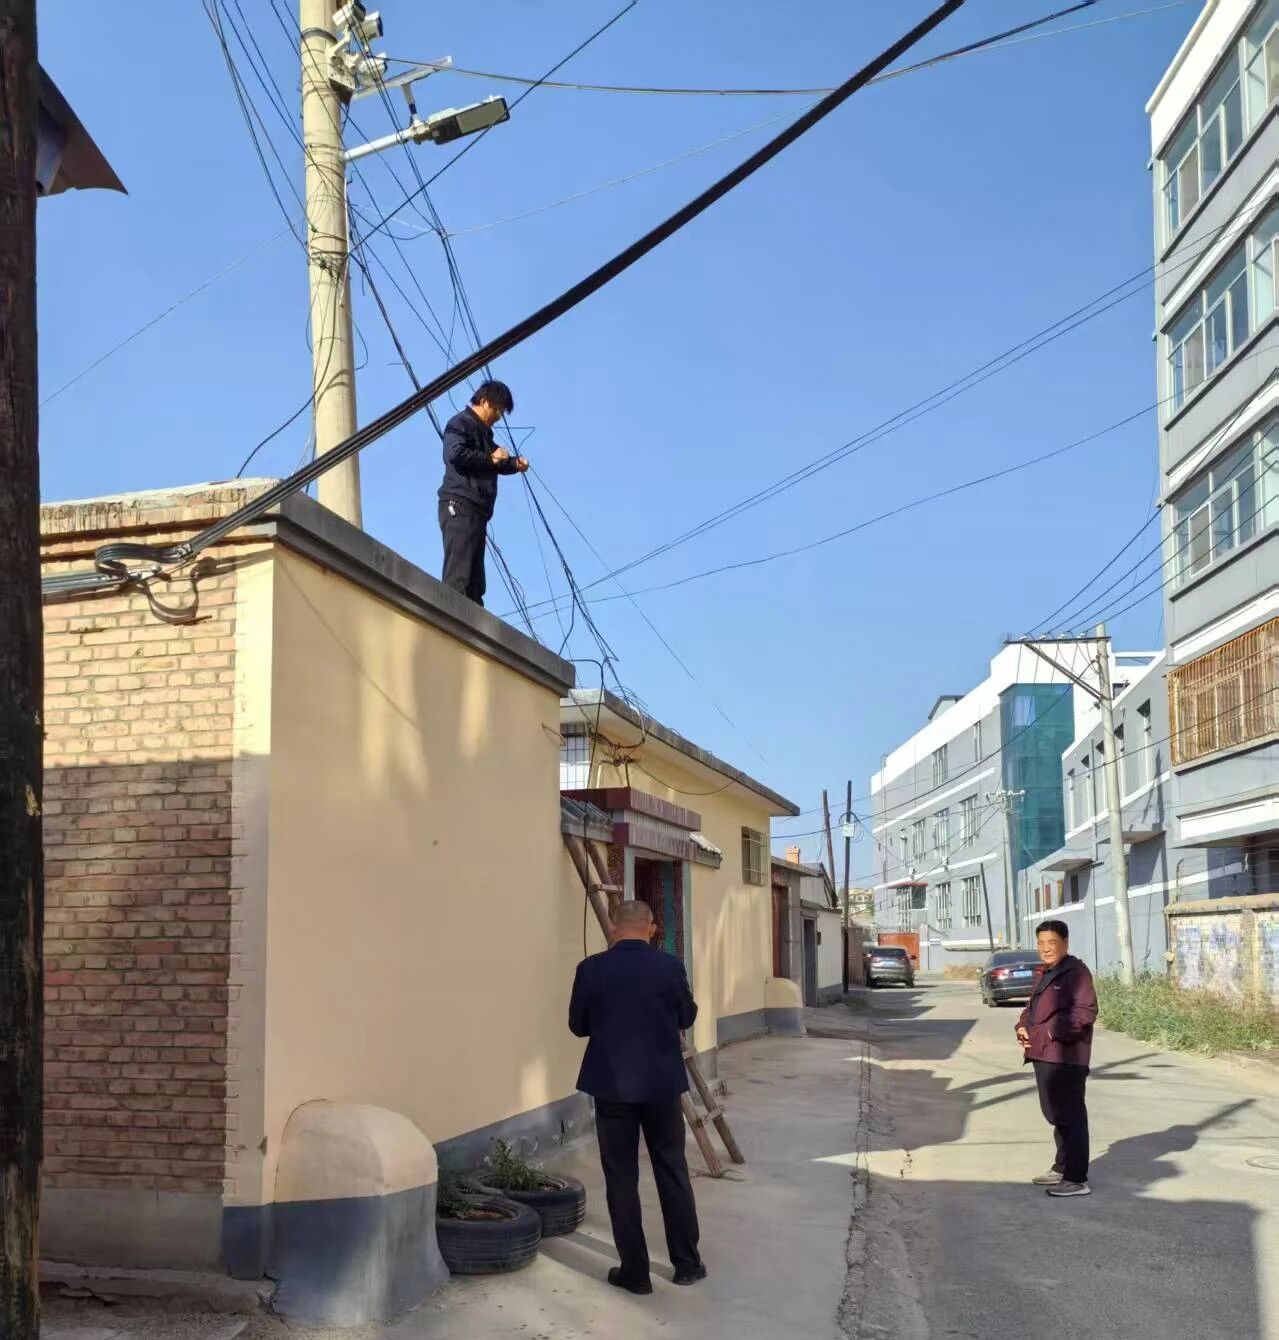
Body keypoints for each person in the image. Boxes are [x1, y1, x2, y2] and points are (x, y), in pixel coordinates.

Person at [568, 900, 706, 1295]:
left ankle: (635, 1272)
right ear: (652, 927)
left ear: (614, 928)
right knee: (672, 1169)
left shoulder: (590, 968)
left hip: (612, 1085)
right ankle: (687, 1264)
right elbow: (687, 1016)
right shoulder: (670, 967)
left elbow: (578, 1025)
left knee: (621, 1176)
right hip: (662, 1085)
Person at [1016, 919, 1098, 1198]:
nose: (1046, 948)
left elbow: (1085, 1012)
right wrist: (1023, 1026)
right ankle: (1062, 1167)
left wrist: (1050, 1033)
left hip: (1066, 1057)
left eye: (1052, 942)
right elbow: (1031, 1008)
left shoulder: (1076, 973)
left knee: (1070, 1116)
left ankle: (1076, 1178)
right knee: (1055, 1114)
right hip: (1043, 1054)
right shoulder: (1045, 972)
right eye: (1041, 943)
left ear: (1065, 943)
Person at [437, 380, 528, 606]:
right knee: (459, 576)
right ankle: (451, 619)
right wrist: (491, 458)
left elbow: (496, 462)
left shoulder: (484, 435)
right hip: (459, 504)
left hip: (477, 511)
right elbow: (454, 454)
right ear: (484, 401)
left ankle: (471, 624)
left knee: (475, 583)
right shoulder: (461, 423)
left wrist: (514, 463)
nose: (499, 416)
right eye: (497, 409)